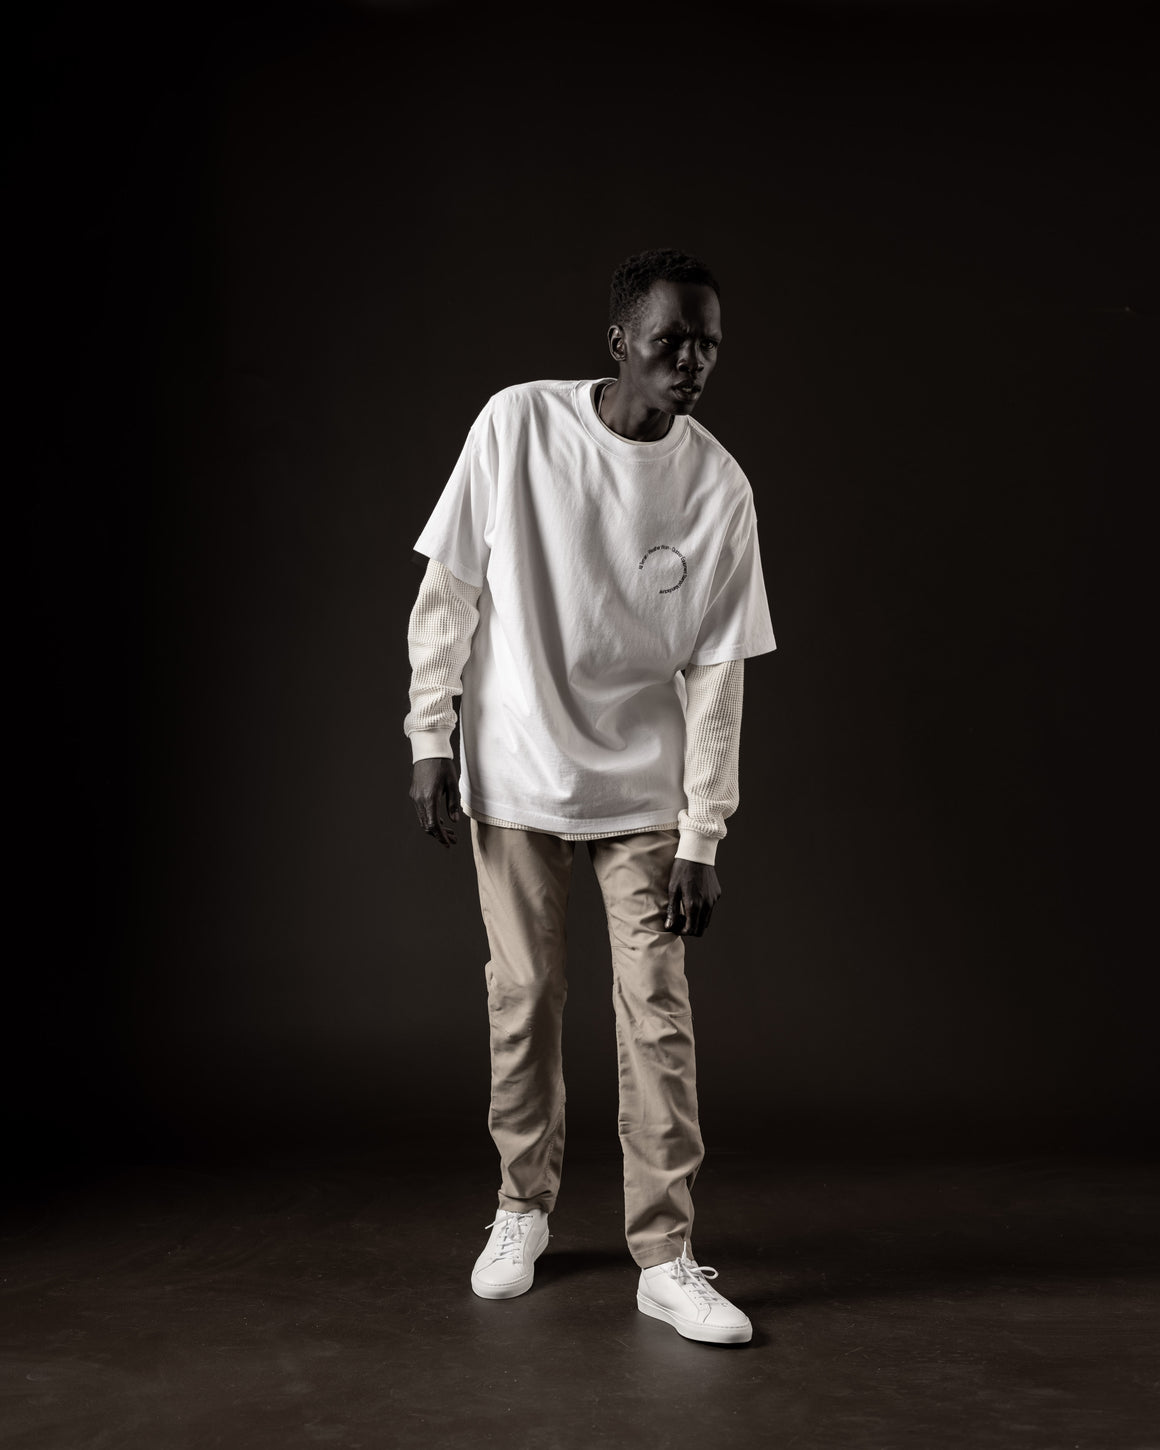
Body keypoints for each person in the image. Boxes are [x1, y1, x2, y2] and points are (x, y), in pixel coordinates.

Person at [404, 248, 775, 1345]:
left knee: (656, 1012)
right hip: (518, 766)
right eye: (671, 340)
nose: (692, 361)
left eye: (708, 344)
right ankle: (521, 1206)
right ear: (619, 341)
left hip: (643, 787)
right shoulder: (516, 426)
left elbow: (717, 677)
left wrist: (704, 833)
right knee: (522, 998)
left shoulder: (718, 487)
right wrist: (429, 734)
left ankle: (664, 1255)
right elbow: (450, 588)